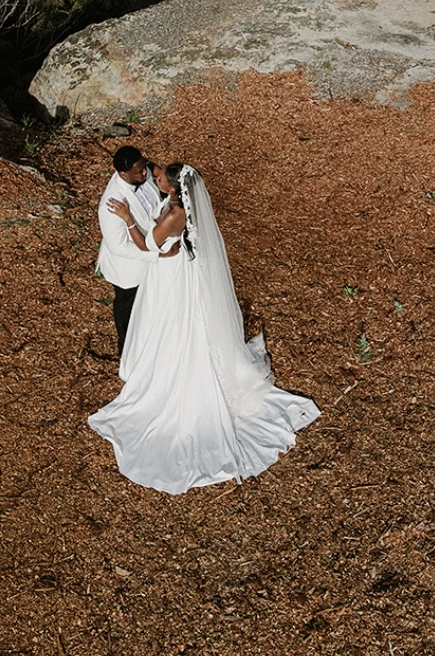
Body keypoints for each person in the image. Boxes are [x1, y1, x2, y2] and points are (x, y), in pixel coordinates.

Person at [89, 162, 320, 494]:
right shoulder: (180, 204)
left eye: (158, 179)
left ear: (171, 187)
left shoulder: (174, 215)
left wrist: (127, 218)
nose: (155, 180)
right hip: (176, 268)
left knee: (174, 324)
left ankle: (171, 372)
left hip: (170, 275)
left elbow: (146, 246)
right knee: (178, 321)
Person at [96, 145, 184, 356]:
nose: (145, 174)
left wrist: (159, 173)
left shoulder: (142, 172)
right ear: (123, 174)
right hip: (130, 268)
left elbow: (153, 168)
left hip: (155, 248)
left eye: (144, 168)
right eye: (140, 172)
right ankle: (126, 350)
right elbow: (119, 247)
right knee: (128, 310)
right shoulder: (111, 205)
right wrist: (157, 255)